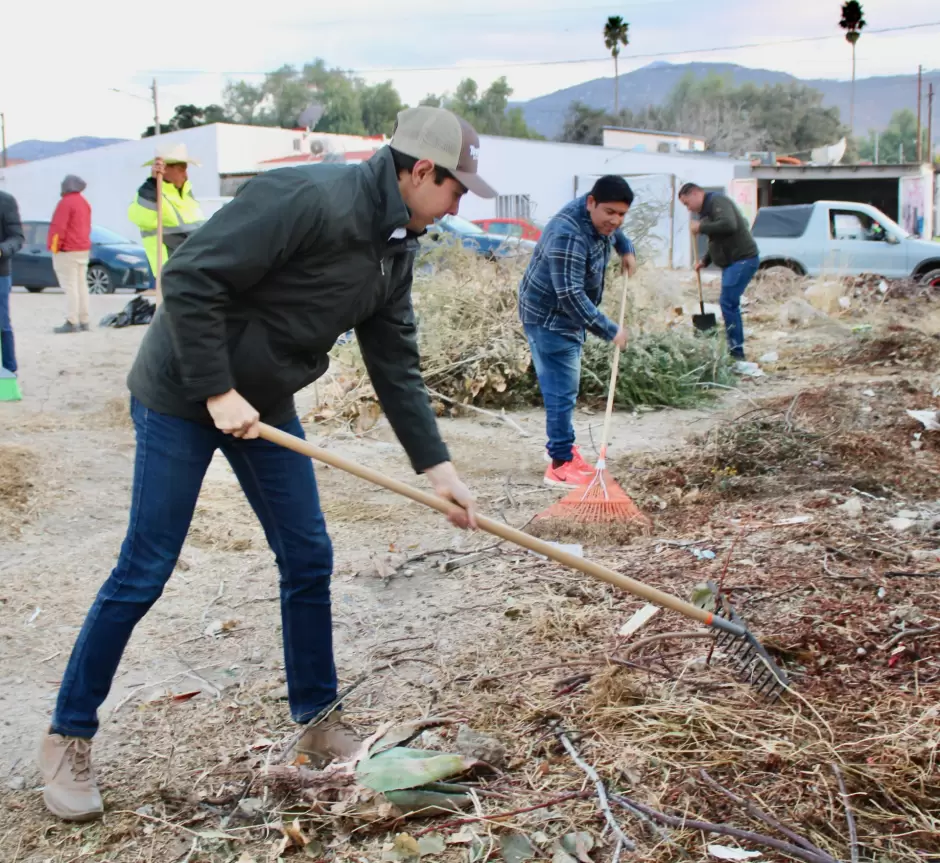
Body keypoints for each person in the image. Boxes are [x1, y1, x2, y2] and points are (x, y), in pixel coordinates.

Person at [37, 105, 495, 823]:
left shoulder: (396, 244)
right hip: (182, 391)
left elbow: (395, 363)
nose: (460, 200)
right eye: (458, 187)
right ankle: (68, 734)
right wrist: (217, 389)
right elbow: (189, 279)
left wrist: (438, 471)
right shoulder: (310, 199)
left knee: (308, 552)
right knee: (146, 564)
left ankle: (317, 718)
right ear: (420, 171)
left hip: (265, 399)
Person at [518, 176, 636, 488]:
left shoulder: (600, 215)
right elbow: (570, 295)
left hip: (563, 315)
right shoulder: (569, 234)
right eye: (610, 212)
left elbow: (614, 228)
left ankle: (561, 447)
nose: (615, 220)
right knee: (561, 388)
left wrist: (625, 248)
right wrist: (610, 330)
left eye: (622, 214)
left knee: (563, 385)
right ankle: (559, 464)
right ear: (591, 203)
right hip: (549, 316)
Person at [678, 183, 759, 361]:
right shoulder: (707, 212)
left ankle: (736, 354)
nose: (688, 208)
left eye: (686, 203)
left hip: (743, 260)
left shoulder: (718, 201)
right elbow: (717, 241)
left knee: (728, 303)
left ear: (695, 193)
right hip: (732, 263)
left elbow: (729, 224)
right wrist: (705, 261)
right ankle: (734, 350)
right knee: (728, 303)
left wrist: (701, 227)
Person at [128, 143, 205, 276]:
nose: (185, 174)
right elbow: (142, 218)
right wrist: (152, 184)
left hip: (192, 268)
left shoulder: (185, 194)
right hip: (171, 270)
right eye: (181, 169)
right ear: (165, 169)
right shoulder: (151, 194)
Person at [49, 175, 93, 334]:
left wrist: (55, 248)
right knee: (82, 286)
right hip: (83, 249)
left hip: (67, 250)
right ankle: (84, 320)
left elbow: (58, 228)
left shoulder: (65, 203)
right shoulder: (84, 203)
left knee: (70, 286)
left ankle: (71, 320)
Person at [0, 190, 25, 375]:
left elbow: (17, 237)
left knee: (2, 323)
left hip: (0, 273)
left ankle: (9, 371)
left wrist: (2, 249)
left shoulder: (6, 200)